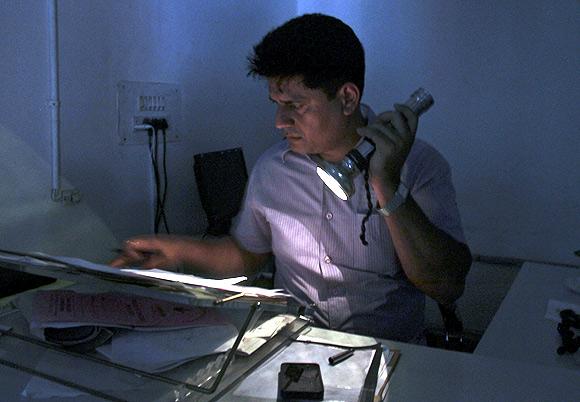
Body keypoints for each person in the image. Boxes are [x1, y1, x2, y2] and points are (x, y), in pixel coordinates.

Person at [112, 13, 472, 342]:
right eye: (276, 104)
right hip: (291, 351)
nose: (279, 122)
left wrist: (387, 184)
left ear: (347, 98)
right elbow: (246, 256)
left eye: (295, 106)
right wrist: (175, 250)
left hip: (389, 356)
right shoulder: (273, 168)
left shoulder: (419, 165)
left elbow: (446, 286)